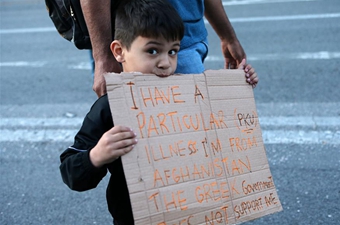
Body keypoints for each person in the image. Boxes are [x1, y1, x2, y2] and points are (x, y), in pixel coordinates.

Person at [59, 0, 258, 224]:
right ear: (119, 51)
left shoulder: (189, 93)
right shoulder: (110, 107)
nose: (166, 63)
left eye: (173, 51)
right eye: (152, 51)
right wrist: (96, 155)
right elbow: (71, 171)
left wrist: (238, 87)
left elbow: (221, 133)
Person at [80, 0, 250, 97]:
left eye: (171, 54)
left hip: (186, 35)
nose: (165, 64)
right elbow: (79, 153)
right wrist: (103, 58)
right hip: (137, 39)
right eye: (154, 52)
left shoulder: (170, 56)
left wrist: (228, 36)